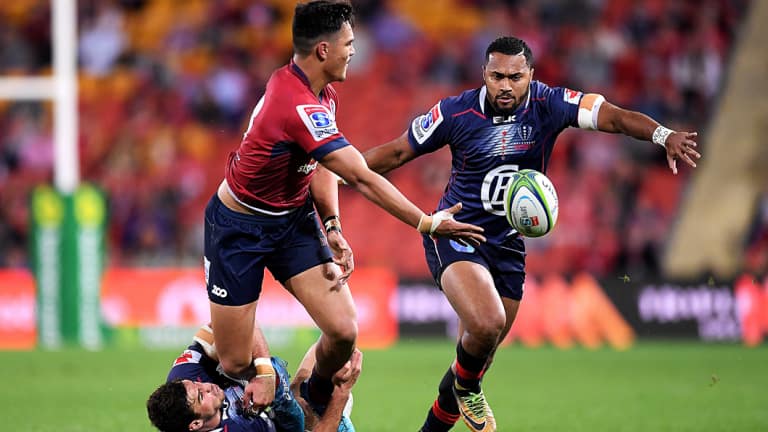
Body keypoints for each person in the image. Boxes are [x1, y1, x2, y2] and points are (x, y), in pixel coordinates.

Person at [362, 36, 701, 432]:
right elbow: (400, 152)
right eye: (497, 76)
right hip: (455, 232)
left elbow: (613, 116)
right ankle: (469, 389)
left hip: (507, 245)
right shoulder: (456, 112)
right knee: (484, 327)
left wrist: (663, 135)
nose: (506, 85)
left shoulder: (549, 104)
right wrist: (338, 168)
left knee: (476, 355)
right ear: (484, 75)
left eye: (515, 77)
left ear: (531, 75)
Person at [204, 0, 485, 424]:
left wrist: (332, 224)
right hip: (238, 227)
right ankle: (254, 392)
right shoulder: (295, 103)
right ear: (323, 50)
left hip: (292, 220)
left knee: (343, 331)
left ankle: (309, 399)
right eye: (348, 43)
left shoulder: (322, 95)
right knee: (234, 359)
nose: (354, 50)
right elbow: (361, 176)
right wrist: (426, 222)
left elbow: (318, 167)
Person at [146, 324, 361, 432]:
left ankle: (298, 393)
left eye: (197, 385)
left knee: (339, 337)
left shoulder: (184, 374)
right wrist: (341, 392)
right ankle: (313, 400)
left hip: (275, 403)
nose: (208, 387)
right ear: (195, 424)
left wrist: (264, 371)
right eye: (201, 397)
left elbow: (227, 321)